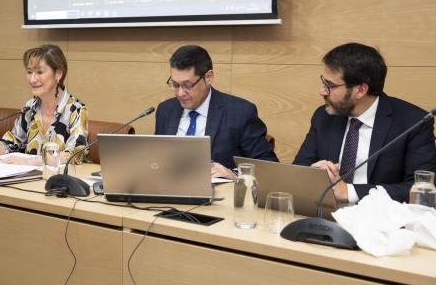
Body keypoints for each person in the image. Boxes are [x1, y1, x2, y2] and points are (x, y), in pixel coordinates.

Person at [294, 43, 436, 204]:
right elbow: (298, 169)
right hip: (325, 216)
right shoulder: (324, 116)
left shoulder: (413, 122)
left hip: (382, 221)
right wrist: (312, 174)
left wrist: (350, 191)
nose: (322, 91)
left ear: (360, 90)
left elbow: (420, 188)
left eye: (330, 86)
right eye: (323, 83)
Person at [155, 45, 278, 179]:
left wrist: (234, 175)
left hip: (218, 196)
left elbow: (269, 166)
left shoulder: (240, 112)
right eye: (175, 84)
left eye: (187, 85)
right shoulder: (165, 110)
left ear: (208, 77)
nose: (180, 93)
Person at [0, 44, 88, 166]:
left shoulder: (76, 109)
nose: (32, 79)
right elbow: (12, 140)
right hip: (27, 178)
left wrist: (31, 161)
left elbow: (74, 154)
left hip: (57, 180)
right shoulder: (30, 106)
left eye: (39, 72)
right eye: (29, 72)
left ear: (58, 74)